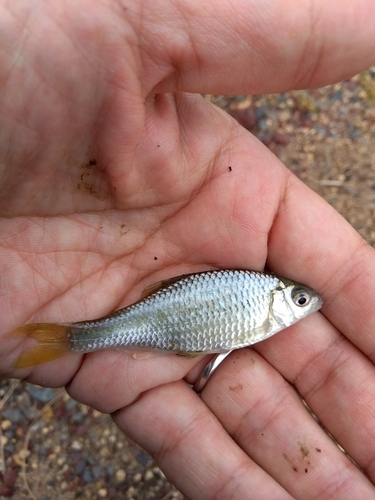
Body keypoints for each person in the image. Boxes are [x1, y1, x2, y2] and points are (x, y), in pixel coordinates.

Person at [1, 1, 375, 498]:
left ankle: (73, 336)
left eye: (301, 300)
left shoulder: (261, 300)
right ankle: (73, 337)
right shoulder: (263, 300)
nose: (304, 306)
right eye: (299, 301)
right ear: (281, 298)